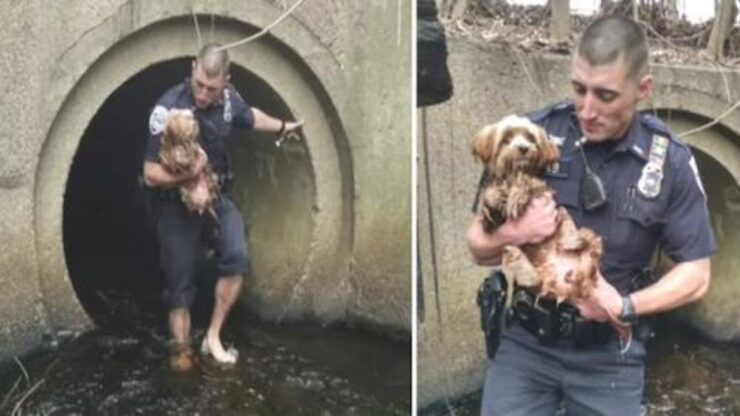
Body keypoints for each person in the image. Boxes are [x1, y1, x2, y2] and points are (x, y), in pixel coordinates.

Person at [466, 15, 716, 415]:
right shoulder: (534, 135)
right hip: (528, 342)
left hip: (609, 354)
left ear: (642, 90)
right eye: (579, 89)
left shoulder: (669, 162)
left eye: (605, 95)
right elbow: (477, 247)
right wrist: (513, 233)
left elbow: (697, 275)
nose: (587, 109)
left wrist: (625, 307)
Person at [143, 42, 302, 370]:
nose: (203, 94)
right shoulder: (168, 109)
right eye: (199, 85)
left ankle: (213, 336)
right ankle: (181, 349)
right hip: (176, 202)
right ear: (193, 69)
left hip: (216, 194)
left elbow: (249, 117)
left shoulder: (229, 101)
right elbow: (149, 174)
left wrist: (284, 126)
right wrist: (190, 173)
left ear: (225, 82)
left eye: (211, 88)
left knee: (237, 256)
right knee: (179, 282)